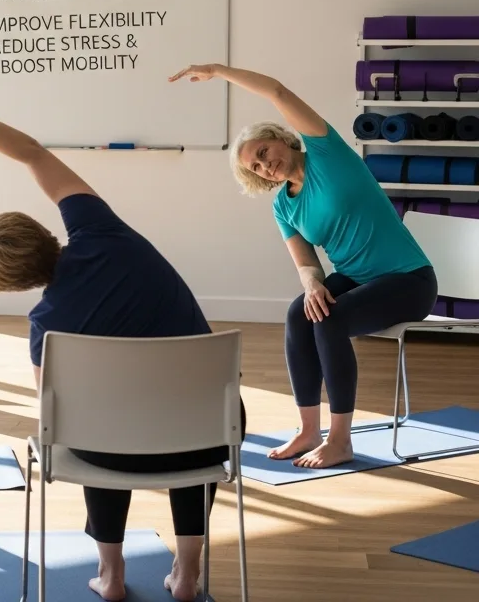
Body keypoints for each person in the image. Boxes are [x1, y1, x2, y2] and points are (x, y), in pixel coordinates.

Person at [0, 100, 242, 602]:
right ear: (42, 231)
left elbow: (59, 418)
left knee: (99, 423)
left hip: (113, 454)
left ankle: (110, 574)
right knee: (185, 413)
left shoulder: (44, 326)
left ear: (10, 285)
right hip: (208, 433)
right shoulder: (104, 232)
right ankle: (186, 576)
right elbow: (31, 153)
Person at [171, 63, 437, 470]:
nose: (265, 166)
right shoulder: (283, 205)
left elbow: (276, 90)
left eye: (264, 153)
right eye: (255, 167)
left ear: (282, 140)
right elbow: (306, 262)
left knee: (330, 319)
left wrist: (220, 71)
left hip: (409, 280)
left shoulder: (328, 153)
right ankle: (309, 429)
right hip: (357, 277)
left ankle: (341, 440)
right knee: (300, 312)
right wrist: (313, 285)